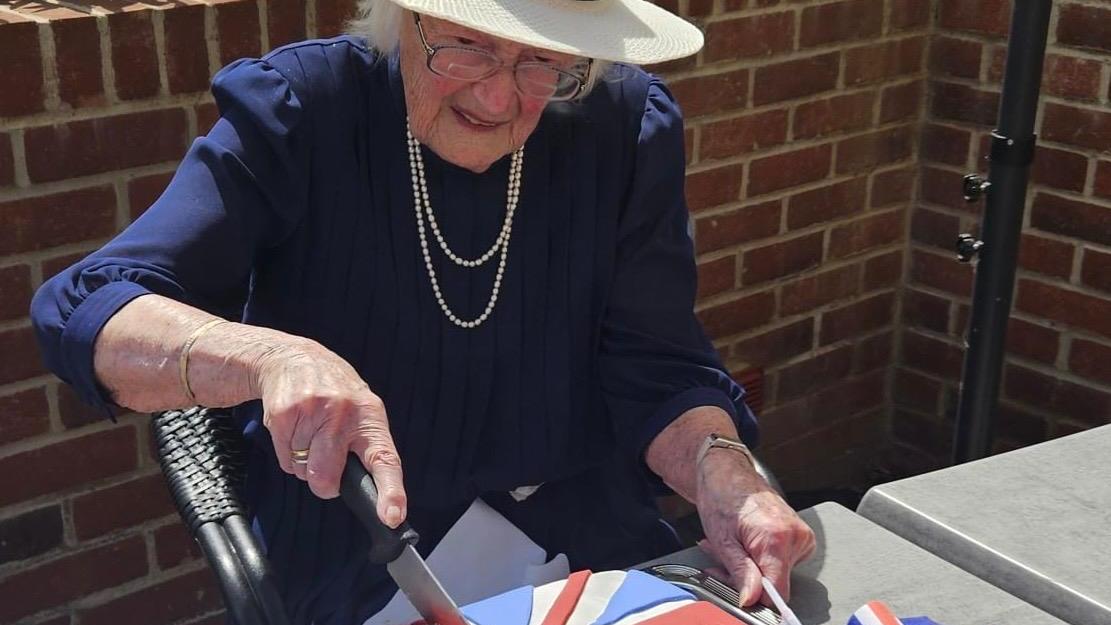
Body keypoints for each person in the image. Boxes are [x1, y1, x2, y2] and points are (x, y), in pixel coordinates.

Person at [31, 0, 816, 622]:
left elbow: (658, 360)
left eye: (543, 58)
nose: (497, 96)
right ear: (401, 17)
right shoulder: (303, 109)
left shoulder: (624, 123)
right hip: (370, 556)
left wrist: (722, 469)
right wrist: (270, 358)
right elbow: (87, 306)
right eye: (466, 45)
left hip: (592, 543)